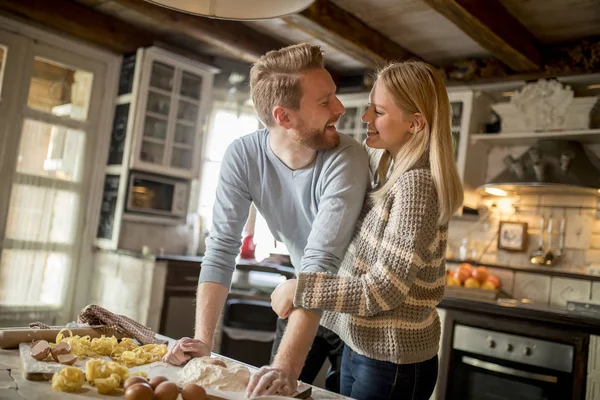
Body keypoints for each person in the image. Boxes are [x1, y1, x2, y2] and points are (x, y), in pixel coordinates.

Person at [162, 43, 370, 397]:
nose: (340, 108)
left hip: (357, 314)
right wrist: (202, 340)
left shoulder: (347, 157)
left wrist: (285, 367)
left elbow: (322, 263)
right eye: (324, 102)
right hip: (302, 300)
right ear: (284, 117)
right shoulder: (242, 155)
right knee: (271, 392)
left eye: (334, 96)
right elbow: (222, 248)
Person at [270, 60, 464, 400]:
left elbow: (383, 290)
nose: (365, 119)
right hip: (361, 347)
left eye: (378, 111)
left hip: (391, 362)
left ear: (415, 123)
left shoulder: (416, 186)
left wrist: (301, 288)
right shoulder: (388, 174)